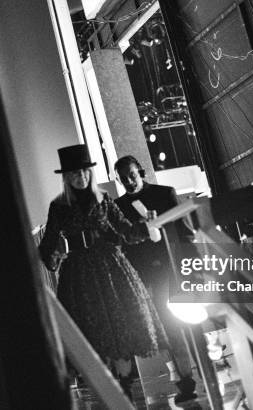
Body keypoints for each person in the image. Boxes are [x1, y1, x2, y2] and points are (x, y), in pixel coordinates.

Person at [38, 145, 169, 399]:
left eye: (85, 172)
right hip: (79, 273)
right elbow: (48, 243)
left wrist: (147, 227)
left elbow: (126, 230)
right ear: (67, 177)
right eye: (75, 173)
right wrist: (54, 258)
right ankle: (107, 391)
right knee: (93, 332)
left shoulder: (104, 199)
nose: (81, 177)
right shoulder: (59, 207)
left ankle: (126, 389)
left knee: (121, 328)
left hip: (111, 267)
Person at [113, 155, 198, 403]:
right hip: (143, 275)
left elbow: (184, 232)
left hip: (172, 268)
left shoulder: (164, 194)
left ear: (140, 172)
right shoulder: (118, 207)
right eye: (123, 178)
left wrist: (192, 265)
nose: (129, 181)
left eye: (132, 175)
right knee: (164, 328)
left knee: (182, 324)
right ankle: (184, 379)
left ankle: (192, 374)